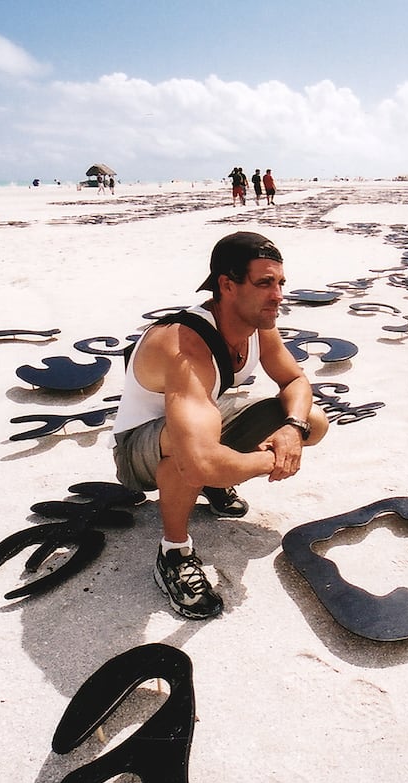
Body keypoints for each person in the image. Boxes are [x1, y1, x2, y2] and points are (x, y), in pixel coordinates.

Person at [112, 231, 328, 619]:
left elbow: (295, 381)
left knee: (313, 420)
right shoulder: (183, 346)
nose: (278, 295)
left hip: (200, 419)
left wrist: (292, 431)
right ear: (227, 285)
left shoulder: (259, 323)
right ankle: (173, 553)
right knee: (190, 459)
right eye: (264, 284)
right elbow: (199, 462)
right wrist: (274, 461)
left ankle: (217, 480)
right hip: (137, 449)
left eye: (280, 283)